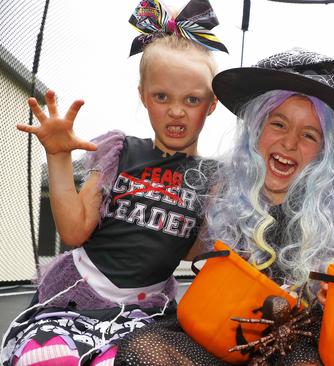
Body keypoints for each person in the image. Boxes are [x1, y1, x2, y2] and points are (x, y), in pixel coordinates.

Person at [115, 47, 334, 366]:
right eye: (278, 124)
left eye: (309, 135)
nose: (289, 143)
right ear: (256, 129)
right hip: (220, 330)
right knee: (143, 350)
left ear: (326, 154)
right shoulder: (221, 187)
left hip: (298, 342)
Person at [0, 1, 228, 364]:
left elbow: (192, 251)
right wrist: (58, 158)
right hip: (77, 298)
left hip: (144, 314)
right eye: (161, 96)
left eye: (192, 99)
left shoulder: (212, 177)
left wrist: (226, 212)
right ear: (143, 96)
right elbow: (75, 232)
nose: (176, 110)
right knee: (44, 359)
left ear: (212, 104)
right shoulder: (119, 151)